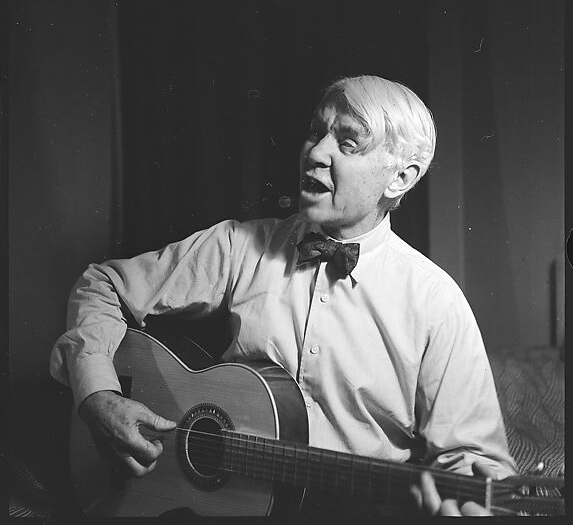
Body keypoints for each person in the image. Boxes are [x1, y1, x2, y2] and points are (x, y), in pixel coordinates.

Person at [50, 75, 516, 517]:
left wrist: (466, 503)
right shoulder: (236, 247)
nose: (315, 152)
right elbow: (103, 285)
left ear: (400, 178)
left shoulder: (436, 303)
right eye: (315, 133)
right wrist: (98, 397)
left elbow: (474, 462)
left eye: (347, 143)